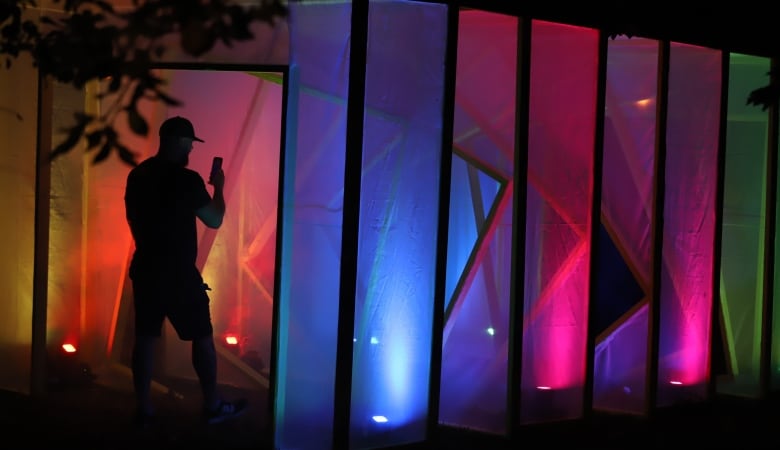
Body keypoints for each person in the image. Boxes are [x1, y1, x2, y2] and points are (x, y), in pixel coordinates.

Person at [124, 115, 246, 427]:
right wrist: (219, 187)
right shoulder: (188, 181)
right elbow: (214, 218)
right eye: (190, 142)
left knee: (146, 337)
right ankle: (212, 405)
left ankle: (143, 408)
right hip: (178, 274)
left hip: (146, 268)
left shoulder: (137, 176)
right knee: (202, 338)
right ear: (180, 142)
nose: (192, 148)